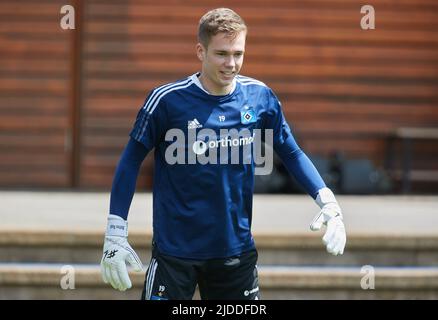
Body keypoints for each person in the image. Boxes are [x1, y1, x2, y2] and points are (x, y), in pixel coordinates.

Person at [100, 8, 346, 300]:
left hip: (235, 254)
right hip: (174, 255)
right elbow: (130, 161)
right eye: (221, 54)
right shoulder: (166, 100)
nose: (231, 63)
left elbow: (290, 151)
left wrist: (327, 200)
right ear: (200, 51)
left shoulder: (260, 97)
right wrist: (116, 230)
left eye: (238, 54)